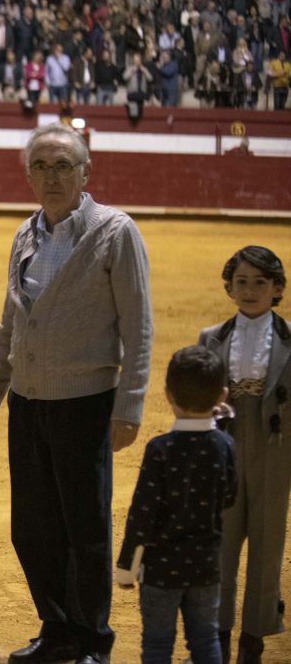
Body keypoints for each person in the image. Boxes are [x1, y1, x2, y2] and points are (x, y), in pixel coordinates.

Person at [0, 122, 153, 664]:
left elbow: (137, 326)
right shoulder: (25, 235)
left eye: (63, 166)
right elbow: (11, 323)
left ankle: (92, 638)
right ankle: (57, 630)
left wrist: (130, 406)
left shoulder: (115, 232)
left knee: (85, 530)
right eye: (41, 167)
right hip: (28, 400)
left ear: (85, 173)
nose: (52, 177)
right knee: (32, 528)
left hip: (87, 401)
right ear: (28, 176)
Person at [116, 346, 237, 663]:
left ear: (168, 394)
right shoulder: (225, 445)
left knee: (157, 645)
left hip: (160, 571)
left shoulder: (160, 449)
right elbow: (230, 496)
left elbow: (142, 515)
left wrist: (127, 568)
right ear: (221, 395)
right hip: (205, 567)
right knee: (206, 640)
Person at [198, 246, 290, 664]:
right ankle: (215, 638)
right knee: (221, 542)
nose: (250, 290)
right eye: (242, 282)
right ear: (229, 288)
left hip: (276, 450)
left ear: (276, 289)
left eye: (260, 282)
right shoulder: (210, 337)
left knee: (267, 546)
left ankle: (251, 640)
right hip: (225, 446)